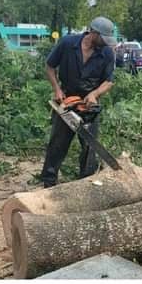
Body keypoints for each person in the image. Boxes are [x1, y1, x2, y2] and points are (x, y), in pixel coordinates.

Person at [40, 17, 117, 188]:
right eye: (103, 38)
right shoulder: (67, 43)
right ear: (93, 32)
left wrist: (95, 94)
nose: (105, 43)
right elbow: (50, 66)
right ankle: (49, 181)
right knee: (57, 144)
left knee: (90, 147)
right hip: (66, 100)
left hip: (89, 105)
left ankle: (86, 183)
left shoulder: (106, 53)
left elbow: (109, 81)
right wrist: (57, 89)